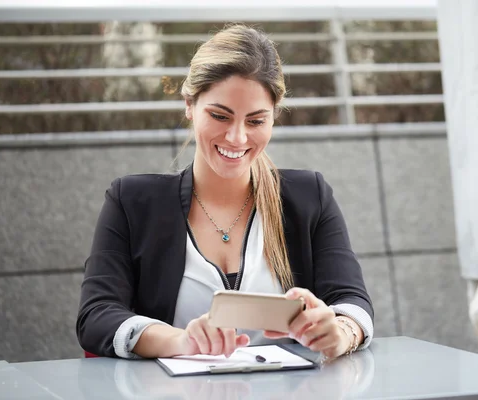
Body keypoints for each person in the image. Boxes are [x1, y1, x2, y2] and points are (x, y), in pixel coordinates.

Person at [76, 24, 374, 360]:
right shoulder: (131, 202)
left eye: (256, 121)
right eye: (220, 115)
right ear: (190, 104)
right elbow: (96, 316)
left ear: (274, 117)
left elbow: (352, 300)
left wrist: (341, 331)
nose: (237, 138)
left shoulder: (310, 197)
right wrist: (180, 341)